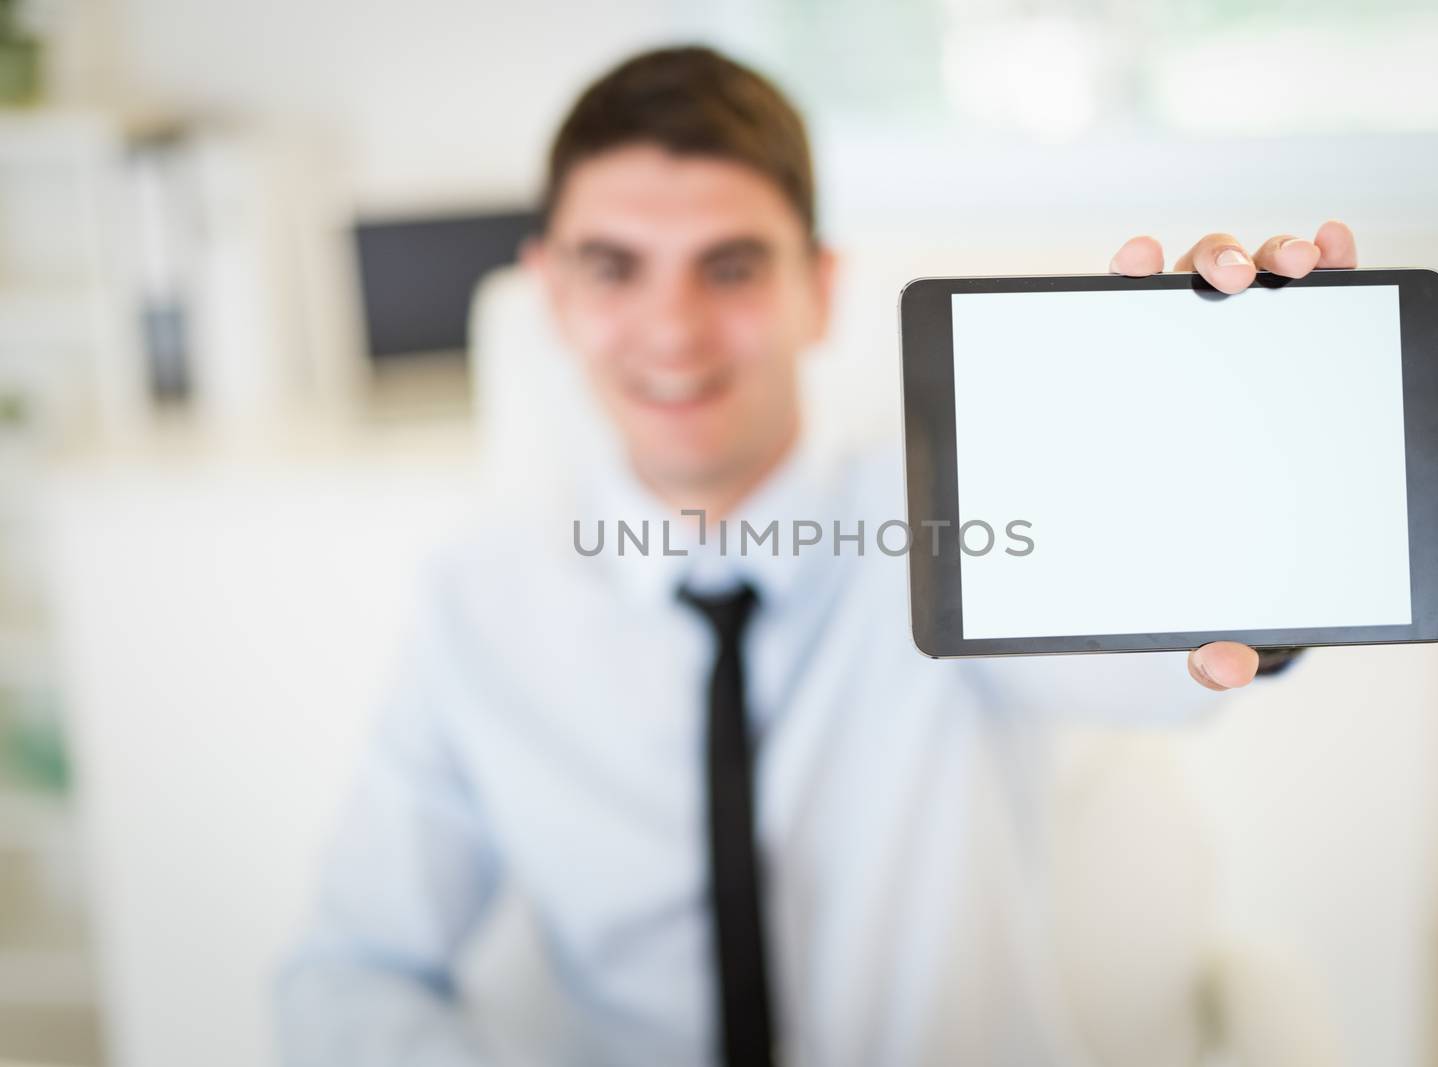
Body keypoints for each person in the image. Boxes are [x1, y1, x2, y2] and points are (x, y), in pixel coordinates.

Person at [279, 45, 1345, 1067]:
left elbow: (1168, 652)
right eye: (613, 269)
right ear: (552, 291)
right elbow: (351, 974)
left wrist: (1246, 511)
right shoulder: (478, 604)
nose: (672, 329)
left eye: (730, 267)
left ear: (818, 288)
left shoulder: (955, 515)